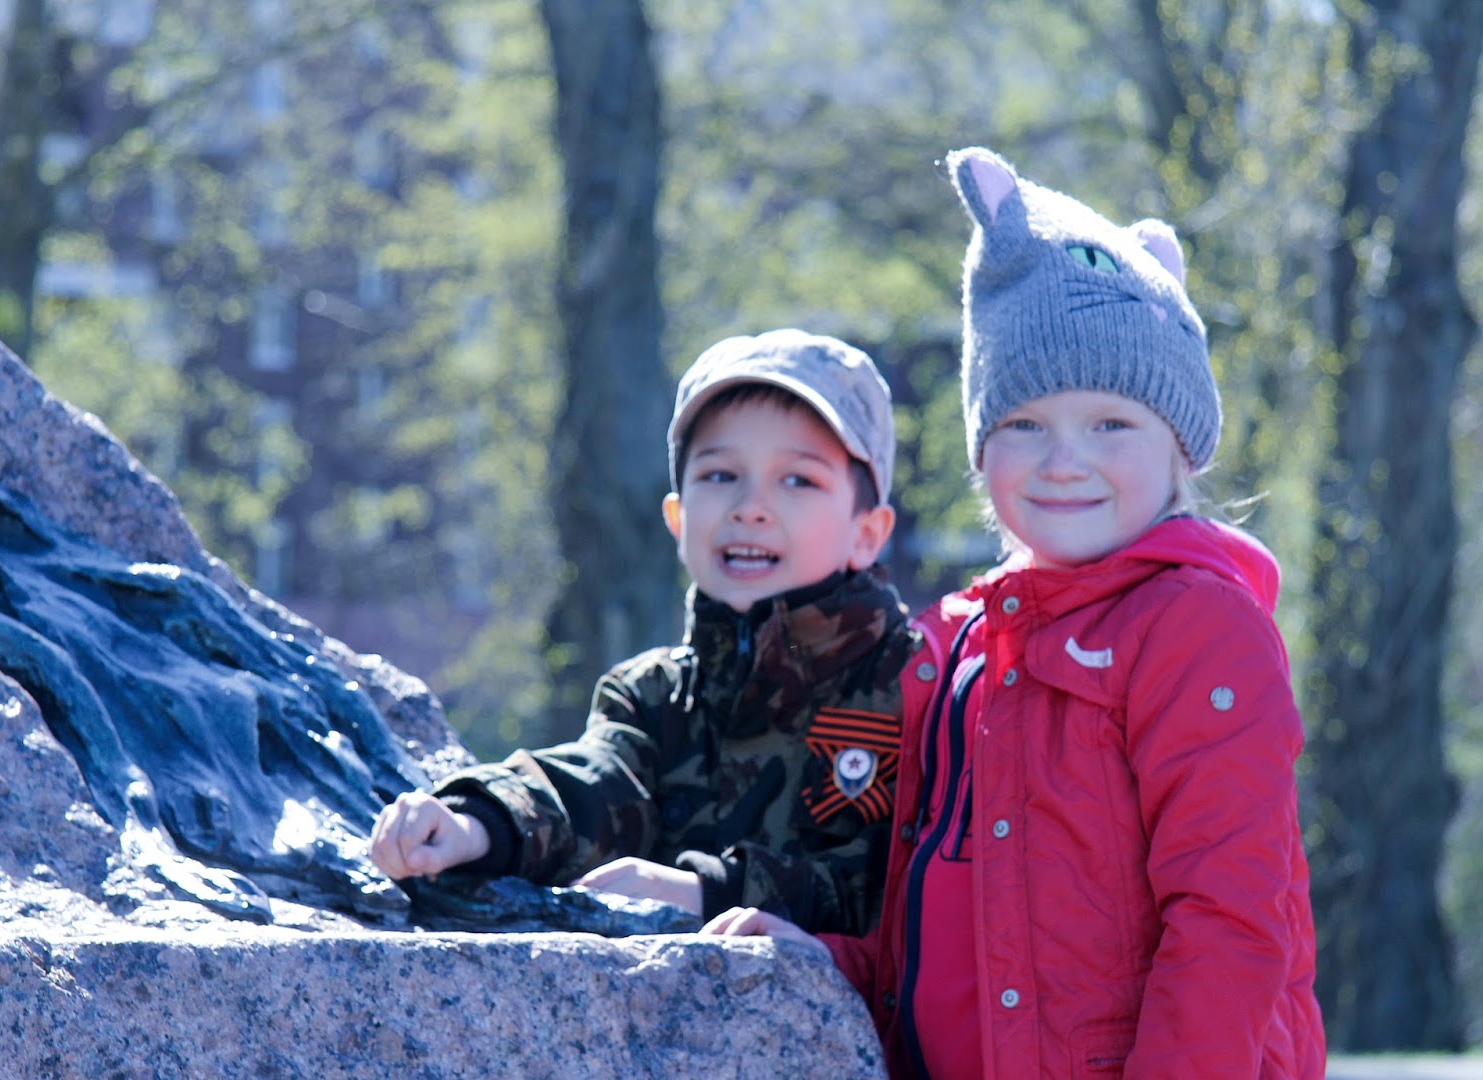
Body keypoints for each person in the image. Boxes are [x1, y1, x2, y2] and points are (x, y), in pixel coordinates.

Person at [704, 147, 1327, 1078]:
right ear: (981, 447)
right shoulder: (961, 648)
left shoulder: (1196, 629)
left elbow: (1229, 924)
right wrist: (830, 964)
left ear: (1181, 449)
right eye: (1024, 424)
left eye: (1111, 424)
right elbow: (952, 928)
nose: (1064, 460)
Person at [370, 328, 921, 935]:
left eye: (797, 480)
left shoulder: (917, 689)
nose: (750, 507)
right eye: (720, 475)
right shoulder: (651, 696)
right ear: (677, 519)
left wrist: (706, 892)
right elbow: (596, 786)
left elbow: (897, 886)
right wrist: (478, 822)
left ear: (868, 533)